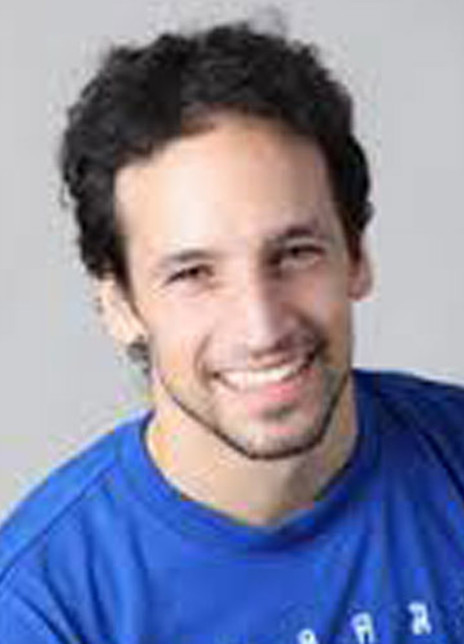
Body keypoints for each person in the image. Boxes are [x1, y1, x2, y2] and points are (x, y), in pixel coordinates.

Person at [1, 20, 464, 644]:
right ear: (119, 305)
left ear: (356, 256)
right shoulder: (42, 611)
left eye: (295, 253)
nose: (262, 326)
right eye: (193, 273)